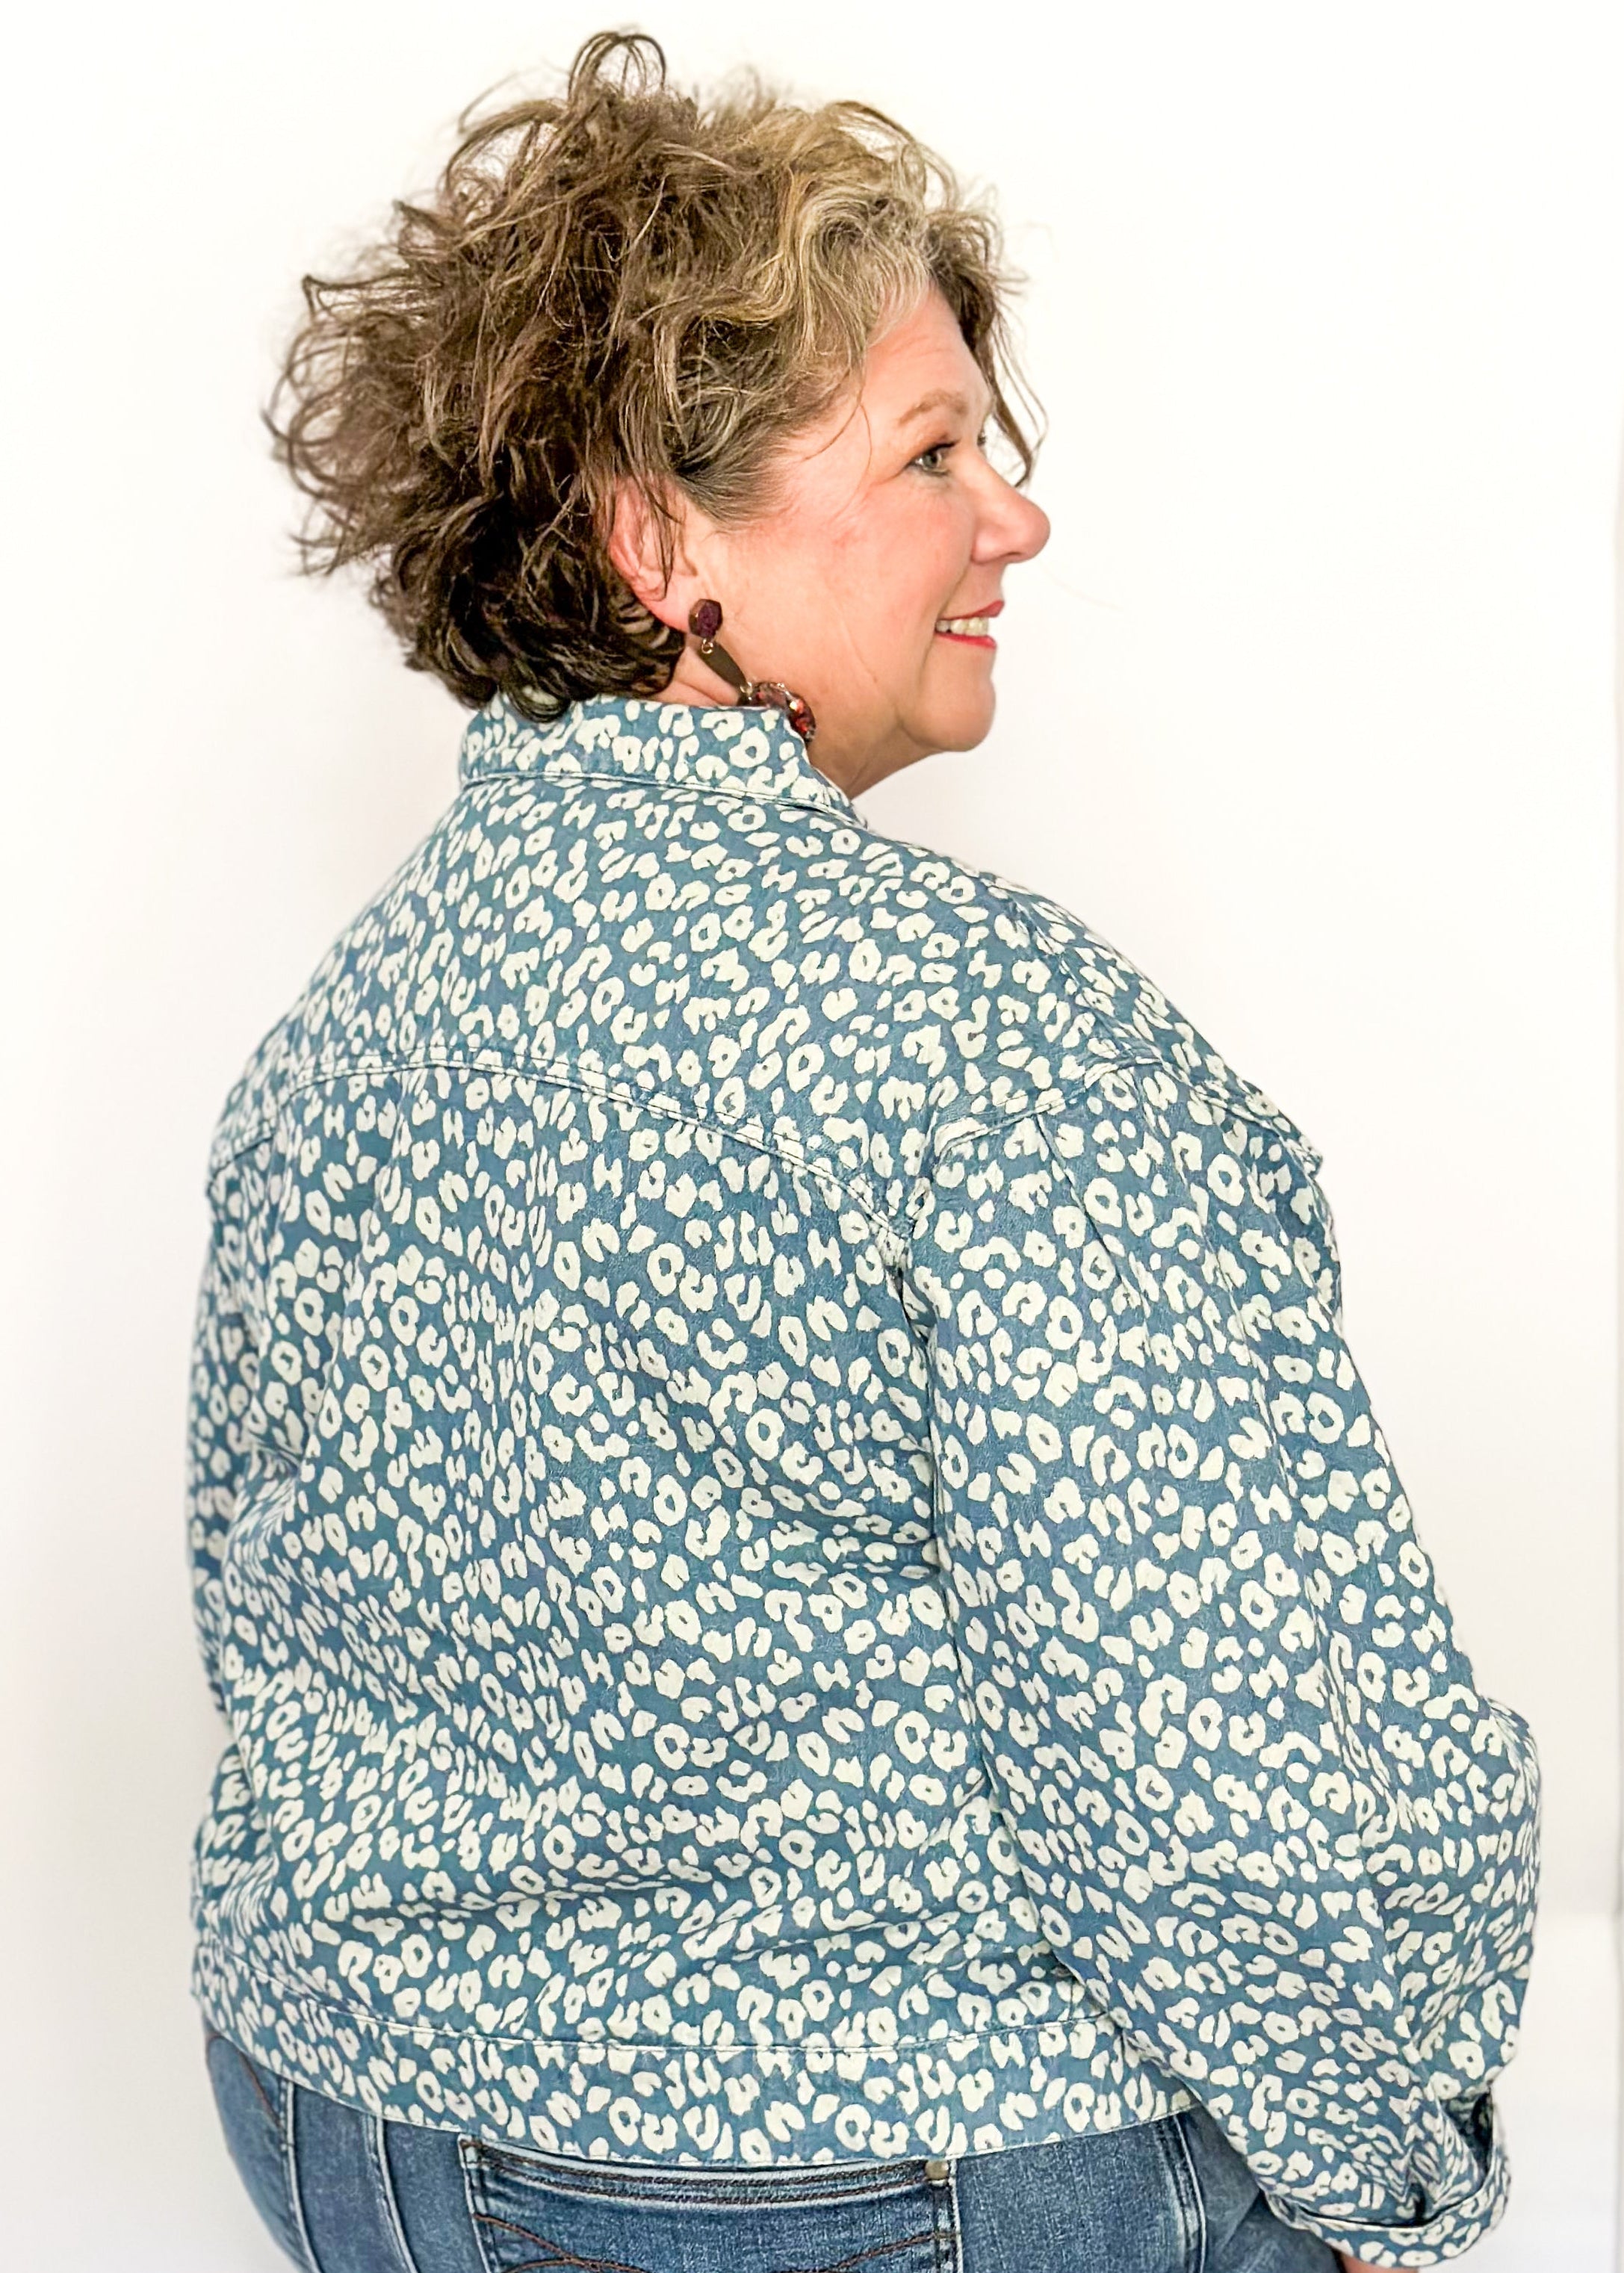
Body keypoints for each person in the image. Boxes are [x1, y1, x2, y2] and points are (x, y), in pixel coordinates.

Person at [189, 31, 1539, 2273]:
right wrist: (1387, 2175)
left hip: (346, 2133)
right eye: (930, 452)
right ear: (660, 544)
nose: (1014, 517)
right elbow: (1241, 1785)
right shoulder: (997, 1046)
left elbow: (284, 1645)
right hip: (875, 2176)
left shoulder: (330, 1044)